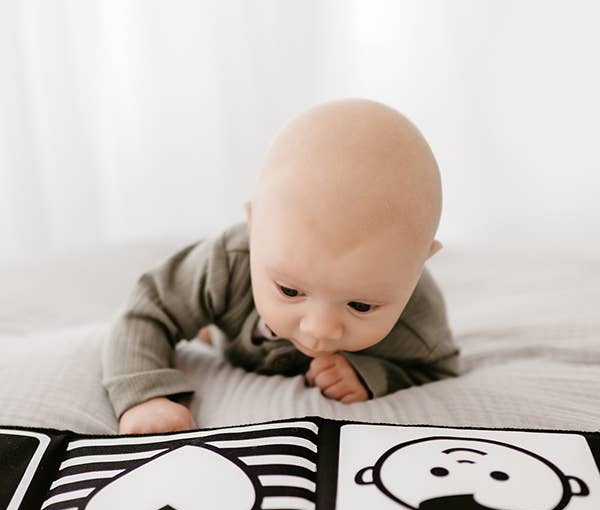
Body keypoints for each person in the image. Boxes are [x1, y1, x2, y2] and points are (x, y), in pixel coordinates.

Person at [102, 98, 461, 435]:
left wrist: (375, 375)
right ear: (254, 227)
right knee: (201, 303)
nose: (319, 330)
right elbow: (146, 309)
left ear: (419, 265)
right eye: (290, 290)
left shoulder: (416, 315)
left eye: (361, 305)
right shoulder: (229, 261)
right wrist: (144, 395)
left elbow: (439, 367)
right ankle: (213, 327)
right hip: (231, 326)